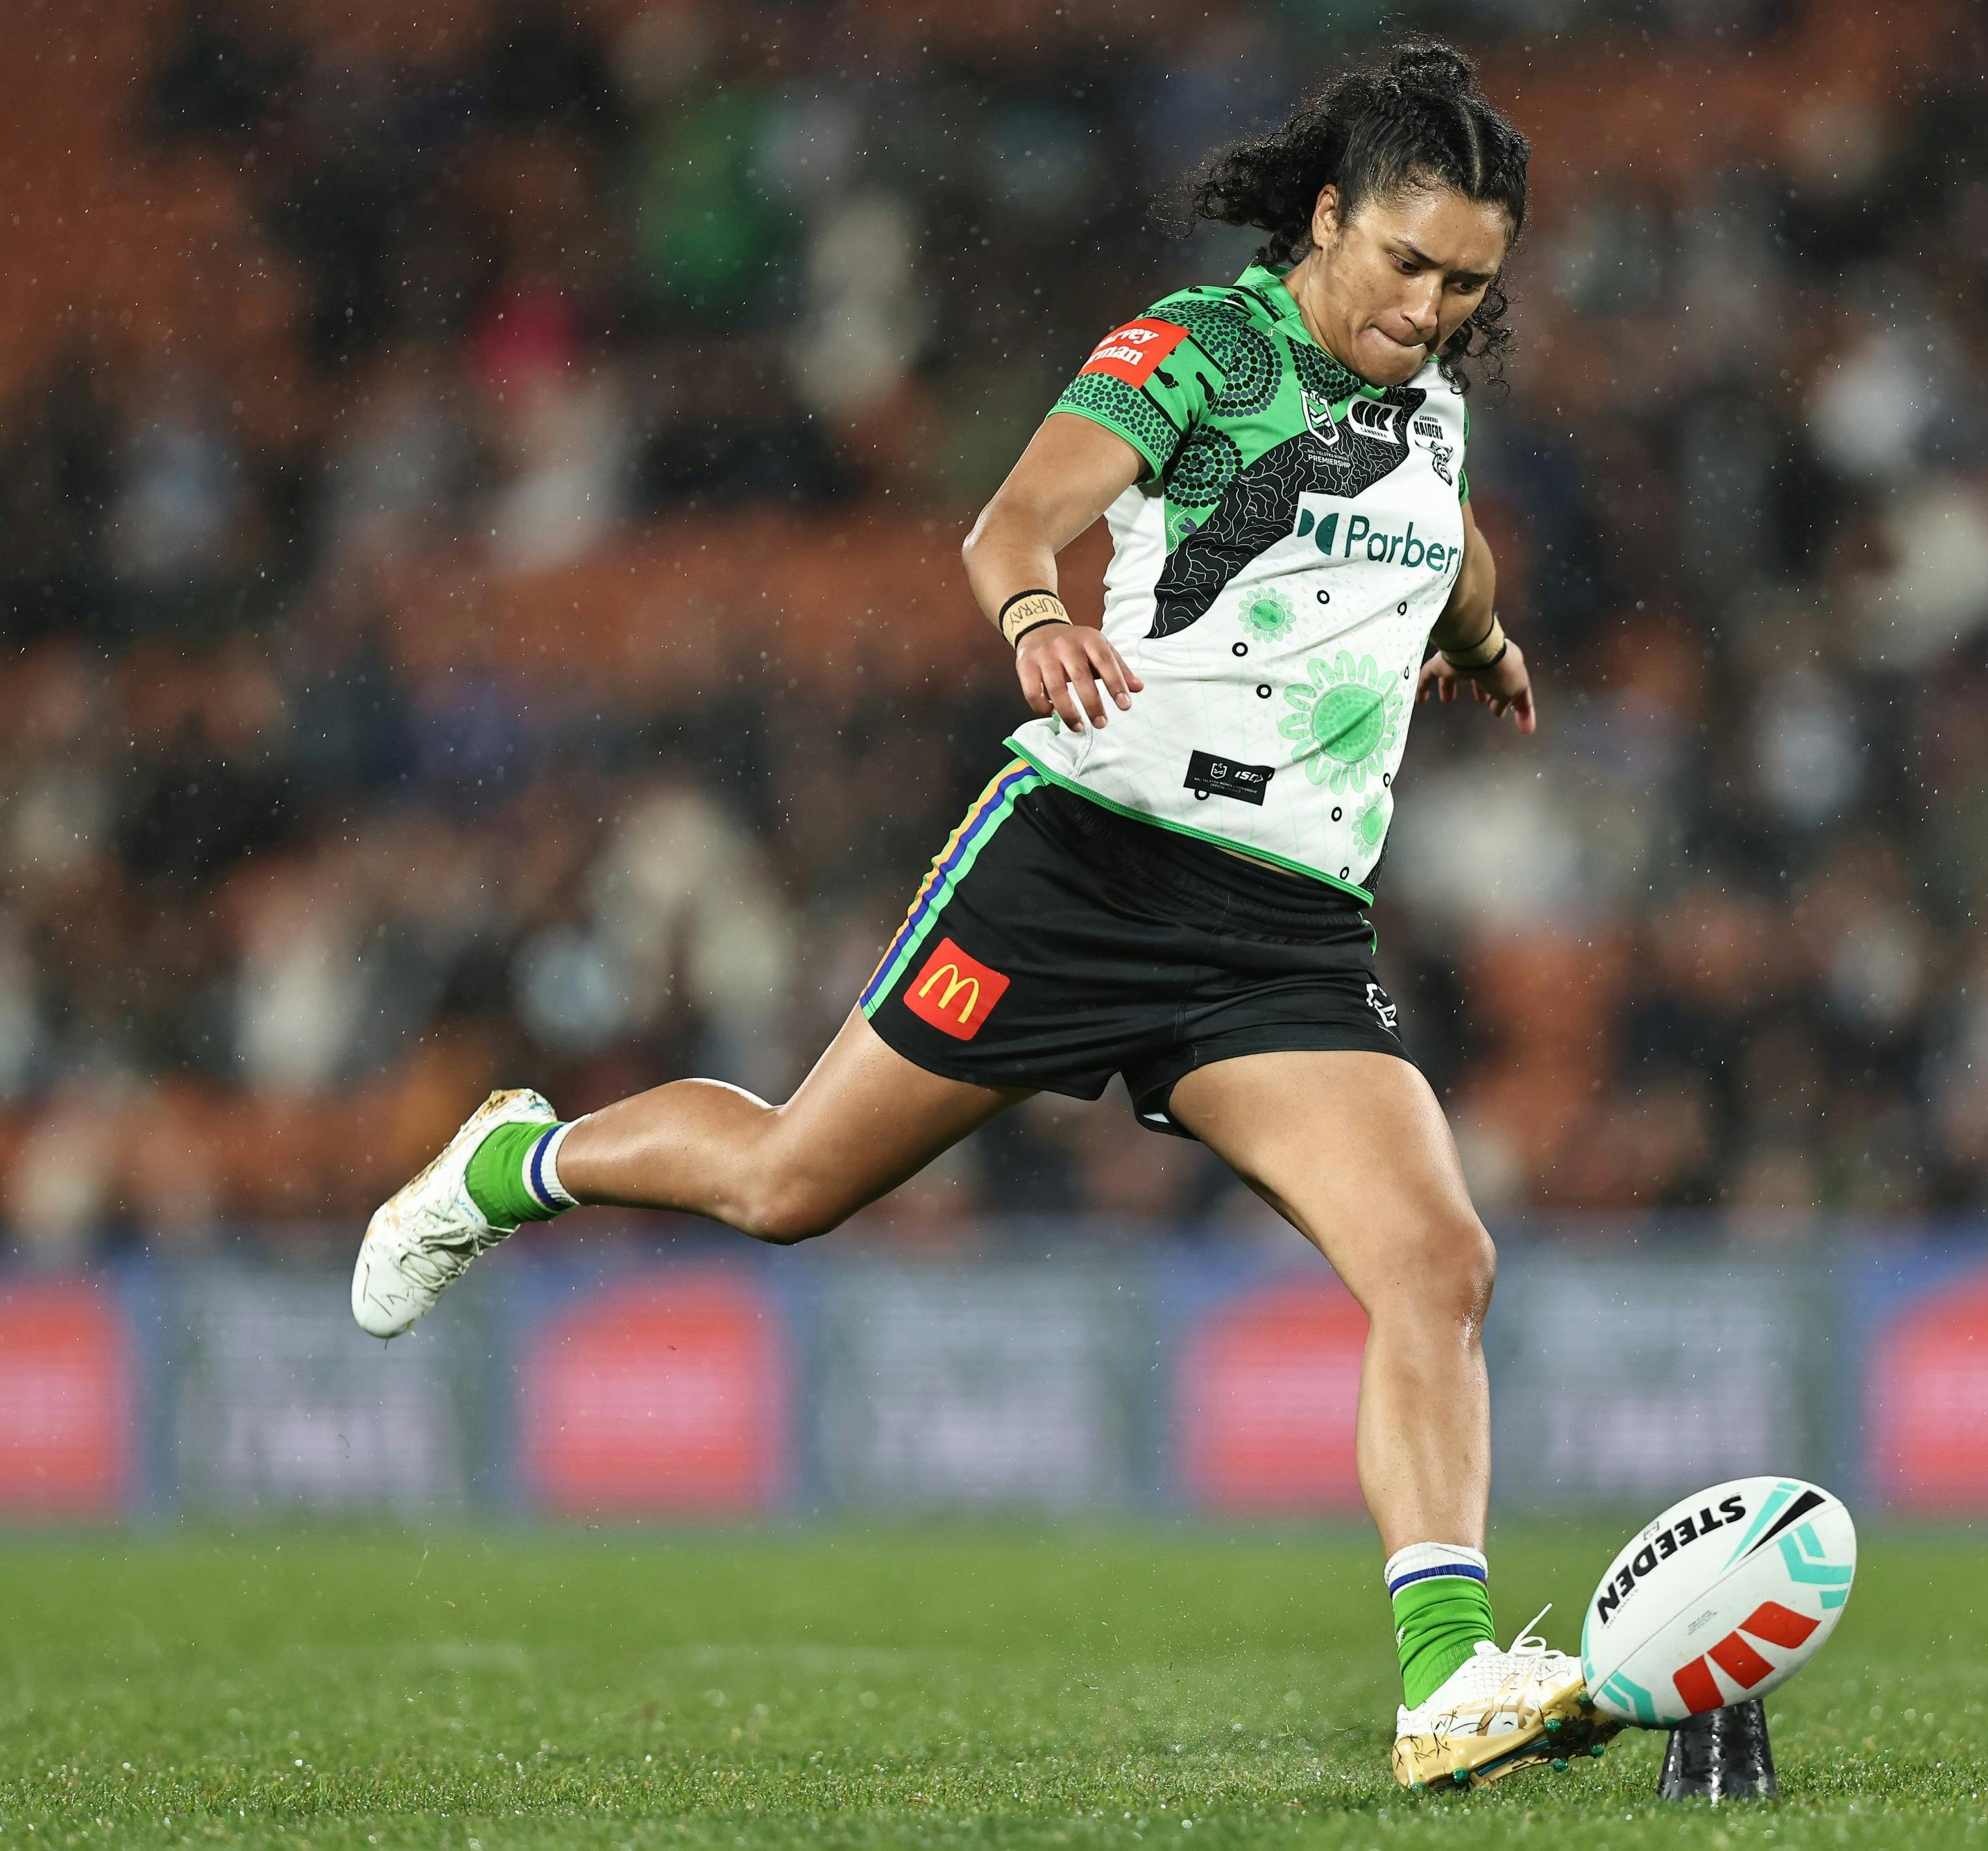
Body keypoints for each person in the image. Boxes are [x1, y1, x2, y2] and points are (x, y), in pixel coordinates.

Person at [350, 36, 1614, 1791]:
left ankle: (1443, 1676)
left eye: (1468, 284)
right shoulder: (1199, 344)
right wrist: (1035, 615)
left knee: (1435, 1260)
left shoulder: (1431, 385)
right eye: (1404, 264)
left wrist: (1478, 637)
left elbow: (1441, 527)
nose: (1429, 308)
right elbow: (1013, 518)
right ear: (1325, 220)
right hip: (1089, 861)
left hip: (1286, 928)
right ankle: (521, 1162)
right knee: (788, 1182)